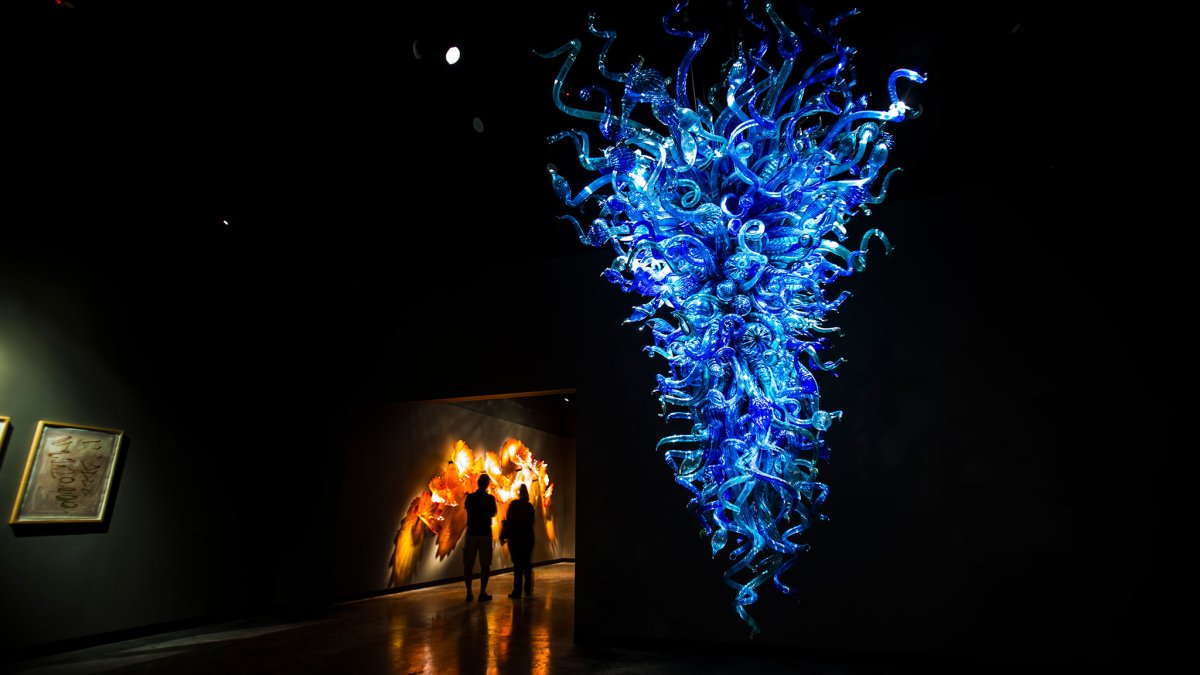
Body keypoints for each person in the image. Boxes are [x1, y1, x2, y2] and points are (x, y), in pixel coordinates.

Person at [463, 474, 497, 602]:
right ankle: (482, 592)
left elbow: (467, 509)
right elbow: (493, 513)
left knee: (468, 564)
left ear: (478, 483)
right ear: (487, 484)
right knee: (485, 564)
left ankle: (469, 592)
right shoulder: (490, 499)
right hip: (485, 533)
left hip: (471, 533)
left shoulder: (470, 498)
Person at [502, 483, 535, 598]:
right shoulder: (530, 507)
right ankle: (528, 589)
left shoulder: (514, 505)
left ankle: (517, 590)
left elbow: (509, 521)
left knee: (517, 565)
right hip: (527, 538)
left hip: (516, 538)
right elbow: (532, 522)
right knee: (527, 564)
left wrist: (504, 534)